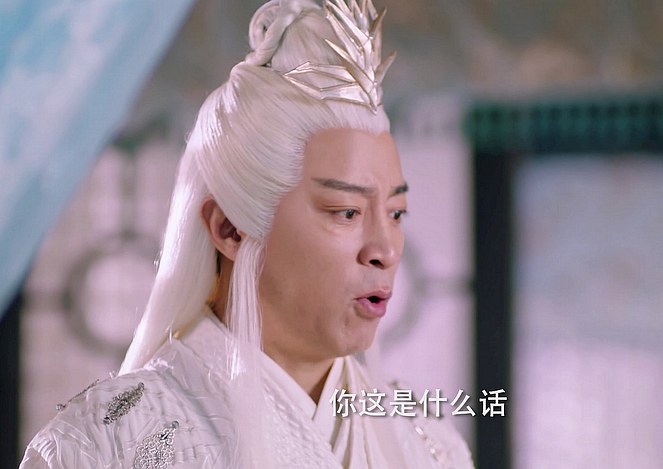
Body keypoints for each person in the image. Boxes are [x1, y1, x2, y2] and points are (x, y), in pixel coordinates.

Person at [19, 0, 474, 467]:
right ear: (230, 229)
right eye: (346, 212)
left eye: (397, 213)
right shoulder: (104, 444)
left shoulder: (431, 445)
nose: (385, 250)